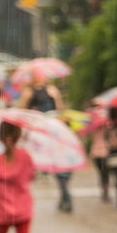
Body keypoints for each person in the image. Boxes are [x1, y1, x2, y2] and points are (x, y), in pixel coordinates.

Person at [19, 79, 72, 212]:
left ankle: (64, 193)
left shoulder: (29, 92)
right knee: (61, 166)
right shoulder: (52, 91)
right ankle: (65, 193)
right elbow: (60, 109)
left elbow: (22, 110)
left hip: (38, 128)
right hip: (52, 129)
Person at [86, 103, 111, 203]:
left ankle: (105, 192)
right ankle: (105, 191)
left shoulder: (94, 124)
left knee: (102, 174)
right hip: (104, 152)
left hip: (96, 152)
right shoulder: (103, 126)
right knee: (104, 174)